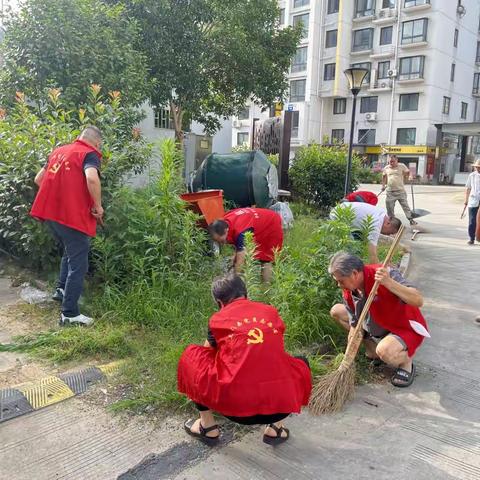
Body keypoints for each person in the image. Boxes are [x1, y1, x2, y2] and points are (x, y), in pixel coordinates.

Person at [177, 274, 312, 446]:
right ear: (246, 294)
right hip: (279, 407)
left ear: (219, 303)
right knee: (299, 362)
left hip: (235, 411)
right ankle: (275, 428)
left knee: (193, 358)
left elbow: (206, 354)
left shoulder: (217, 319)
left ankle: (207, 427)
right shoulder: (270, 311)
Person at [30, 126, 103, 326]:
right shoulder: (89, 154)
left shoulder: (59, 152)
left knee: (70, 251)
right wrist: (97, 205)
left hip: (52, 215)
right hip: (70, 217)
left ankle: (61, 290)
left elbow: (39, 179)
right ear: (96, 143)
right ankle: (69, 313)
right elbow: (91, 178)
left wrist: (60, 196)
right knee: (79, 263)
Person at [328, 252, 429, 388]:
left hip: (402, 326)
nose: (338, 285)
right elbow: (355, 324)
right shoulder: (349, 290)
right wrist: (349, 353)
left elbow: (418, 300)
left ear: (354, 274)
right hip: (376, 321)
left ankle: (406, 362)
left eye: (340, 281)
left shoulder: (384, 274)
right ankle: (372, 350)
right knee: (336, 311)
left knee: (385, 351)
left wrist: (389, 283)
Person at [208, 207, 283, 282]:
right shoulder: (224, 222)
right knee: (239, 257)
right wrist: (234, 260)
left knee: (266, 259)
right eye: (216, 241)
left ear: (226, 230)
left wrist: (233, 279)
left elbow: (241, 259)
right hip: (256, 221)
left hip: (271, 222)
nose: (220, 243)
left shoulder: (241, 231)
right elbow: (238, 245)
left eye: (221, 240)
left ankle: (266, 288)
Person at [331, 202, 401, 263]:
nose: (389, 235)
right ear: (388, 223)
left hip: (344, 211)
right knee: (349, 245)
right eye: (391, 232)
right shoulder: (375, 224)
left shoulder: (383, 214)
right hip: (338, 215)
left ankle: (356, 260)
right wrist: (377, 268)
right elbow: (372, 253)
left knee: (359, 243)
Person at [382, 155, 417, 226]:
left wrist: (410, 176)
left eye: (393, 161)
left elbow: (408, 172)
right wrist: (383, 185)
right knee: (389, 207)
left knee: (405, 206)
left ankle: (411, 220)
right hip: (390, 192)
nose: (391, 163)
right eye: (390, 162)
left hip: (400, 191)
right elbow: (384, 177)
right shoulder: (386, 168)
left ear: (397, 160)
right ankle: (392, 222)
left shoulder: (402, 166)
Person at [464, 159, 480, 245]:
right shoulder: (472, 176)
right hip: (473, 200)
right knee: (472, 220)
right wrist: (466, 200)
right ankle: (471, 238)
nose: (478, 169)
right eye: (477, 167)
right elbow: (468, 188)